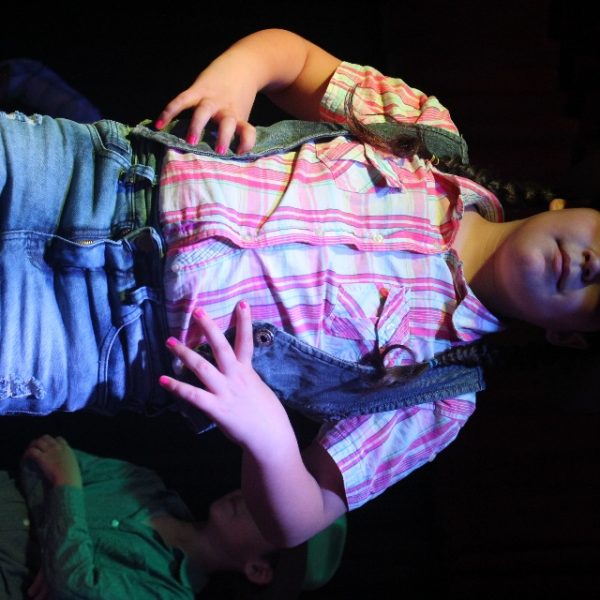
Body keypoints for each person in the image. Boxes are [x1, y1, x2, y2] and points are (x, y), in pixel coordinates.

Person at [1, 28, 598, 549]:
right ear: (573, 205)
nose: (594, 265)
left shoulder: (440, 395)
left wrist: (271, 439)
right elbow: (294, 59)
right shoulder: (427, 133)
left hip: (94, 338)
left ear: (568, 336)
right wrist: (239, 76)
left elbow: (297, 520)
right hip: (93, 172)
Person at [0, 434, 346, 599]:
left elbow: (74, 587)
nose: (251, 497)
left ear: (258, 569)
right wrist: (58, 549)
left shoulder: (167, 594)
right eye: (265, 490)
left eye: (269, 513)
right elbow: (43, 456)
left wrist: (66, 486)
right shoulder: (147, 485)